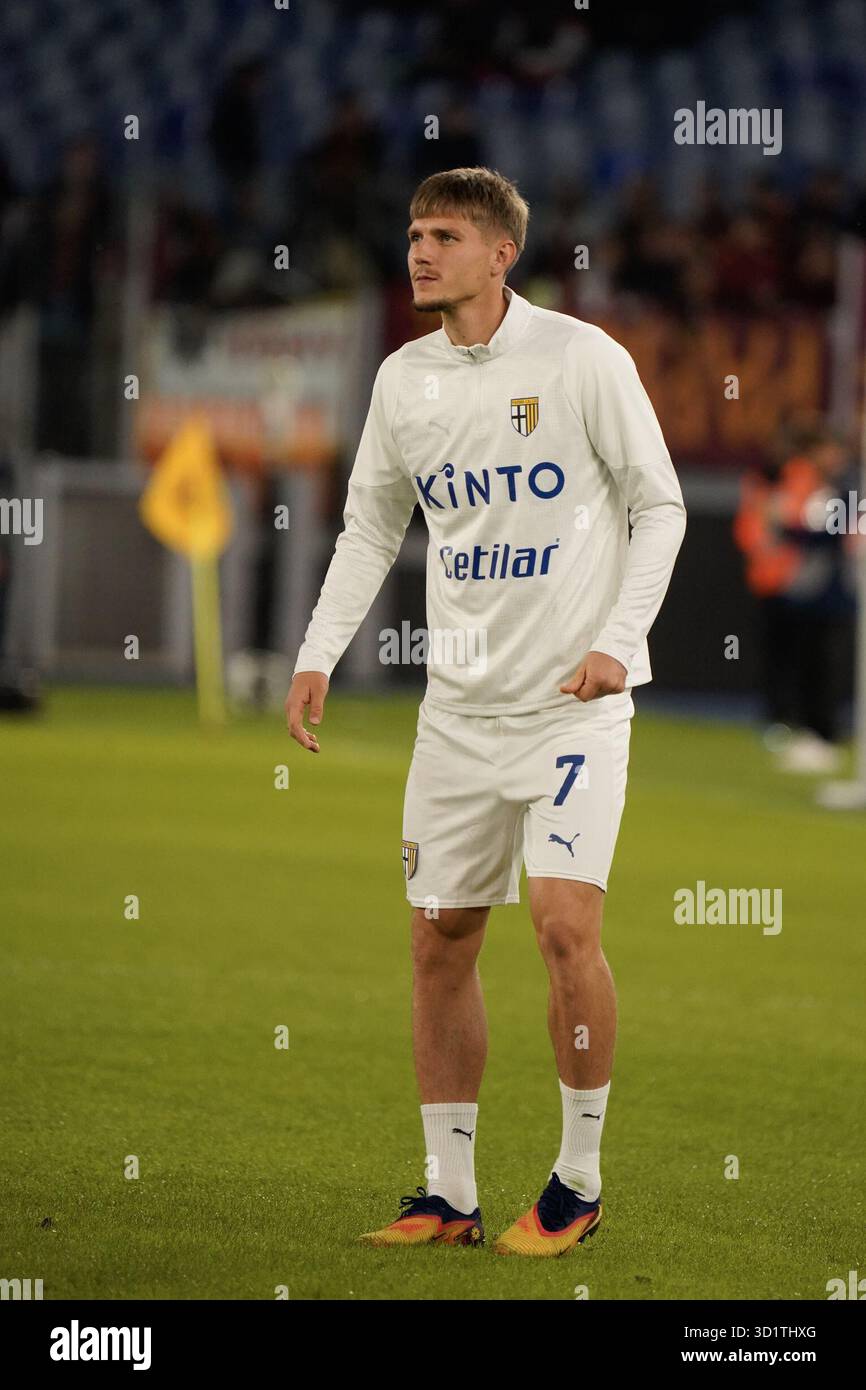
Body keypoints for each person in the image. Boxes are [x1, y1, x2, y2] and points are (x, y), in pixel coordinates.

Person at [285, 167, 686, 1256]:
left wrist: (616, 643)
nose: (419, 252)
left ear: (501, 252)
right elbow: (370, 528)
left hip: (570, 709)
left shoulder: (579, 359)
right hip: (456, 715)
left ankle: (576, 1180)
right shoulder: (402, 380)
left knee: (563, 929)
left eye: (444, 235)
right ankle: (447, 1195)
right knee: (439, 941)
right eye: (413, 233)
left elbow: (658, 503)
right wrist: (318, 653)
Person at [733, 424, 858, 772]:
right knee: (806, 663)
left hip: (836, 593)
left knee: (826, 666)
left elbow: (829, 536)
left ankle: (825, 734)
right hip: (809, 592)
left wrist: (787, 529)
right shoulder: (811, 481)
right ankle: (809, 733)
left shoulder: (847, 485)